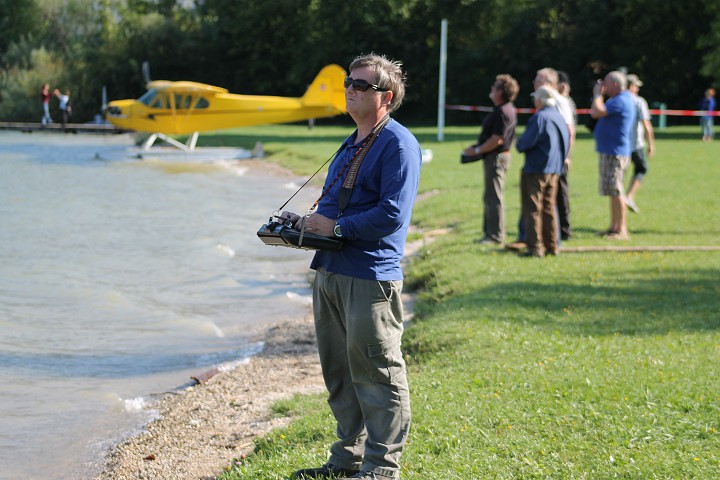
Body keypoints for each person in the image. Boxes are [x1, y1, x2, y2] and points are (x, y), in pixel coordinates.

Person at [280, 53, 421, 480]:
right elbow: (332, 205)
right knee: (340, 374)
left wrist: (337, 227)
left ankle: (381, 467)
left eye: (361, 85)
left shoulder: (398, 143)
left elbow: (392, 215)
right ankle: (346, 459)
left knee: (377, 373)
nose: (350, 89)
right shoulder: (353, 140)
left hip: (369, 276)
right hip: (330, 271)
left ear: (386, 96)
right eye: (348, 82)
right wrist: (305, 225)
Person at [506, 67, 573, 251]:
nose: (533, 100)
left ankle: (535, 247)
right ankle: (552, 246)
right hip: (554, 169)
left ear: (541, 99)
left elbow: (523, 144)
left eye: (535, 97)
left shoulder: (540, 118)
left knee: (533, 208)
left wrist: (518, 141)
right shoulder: (559, 117)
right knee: (550, 208)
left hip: (536, 169)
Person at [462, 74, 519, 245]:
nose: (491, 89)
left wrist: (477, 150)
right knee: (490, 196)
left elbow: (497, 139)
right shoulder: (505, 109)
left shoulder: (503, 111)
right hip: (497, 157)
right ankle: (490, 233)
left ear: (501, 91)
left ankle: (495, 236)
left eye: (495, 86)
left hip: (497, 158)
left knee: (494, 197)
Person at [590, 71, 636, 240]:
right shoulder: (618, 99)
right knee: (612, 190)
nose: (603, 86)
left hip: (615, 152)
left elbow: (596, 112)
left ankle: (622, 230)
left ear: (616, 84)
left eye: (606, 83)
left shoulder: (621, 100)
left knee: (617, 190)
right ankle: (614, 227)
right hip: (611, 150)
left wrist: (597, 95)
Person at [625, 74, 655, 213]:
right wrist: (651, 144)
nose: (638, 89)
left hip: (620, 144)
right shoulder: (639, 101)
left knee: (620, 174)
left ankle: (621, 198)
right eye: (636, 86)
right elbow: (646, 124)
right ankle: (629, 196)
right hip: (636, 143)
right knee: (642, 169)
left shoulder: (616, 100)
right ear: (631, 86)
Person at [556, 71, 577, 240]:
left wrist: (567, 155)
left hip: (561, 155)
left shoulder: (565, 103)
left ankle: (564, 230)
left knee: (561, 192)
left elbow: (571, 131)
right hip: (558, 154)